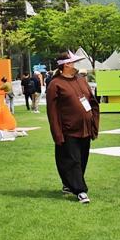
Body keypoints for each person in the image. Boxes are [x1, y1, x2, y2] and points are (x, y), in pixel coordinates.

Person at [46, 50, 100, 204]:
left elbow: (91, 100)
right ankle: (80, 190)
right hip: (68, 130)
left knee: (82, 159)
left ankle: (69, 184)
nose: (75, 64)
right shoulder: (55, 84)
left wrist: (94, 122)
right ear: (65, 65)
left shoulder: (81, 80)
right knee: (72, 160)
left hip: (85, 128)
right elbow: (52, 111)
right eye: (72, 62)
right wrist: (57, 133)